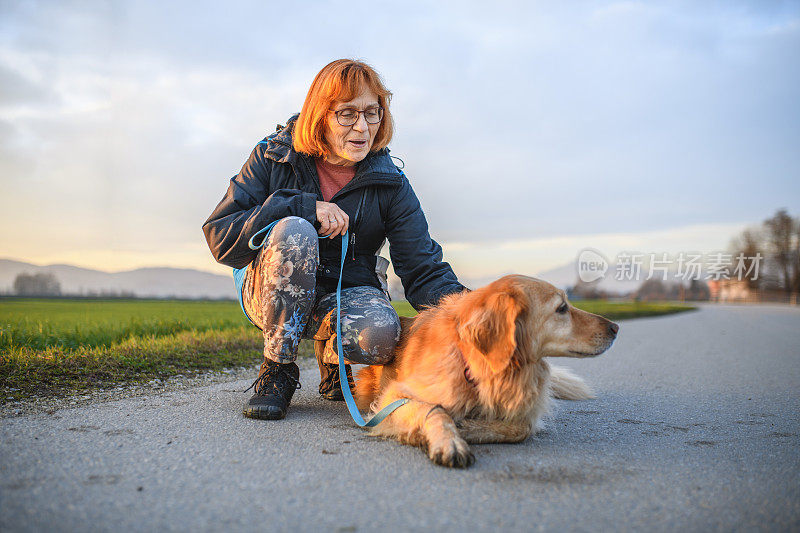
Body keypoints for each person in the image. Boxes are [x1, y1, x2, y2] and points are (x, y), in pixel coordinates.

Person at [202, 59, 466, 421]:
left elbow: (422, 268)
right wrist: (302, 207)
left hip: (345, 290)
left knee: (381, 335)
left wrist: (473, 315)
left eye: (372, 113)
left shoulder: (390, 182)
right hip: (271, 292)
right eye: (347, 114)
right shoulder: (273, 155)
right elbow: (220, 235)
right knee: (295, 229)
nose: (362, 127)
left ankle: (332, 359)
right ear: (320, 116)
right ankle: (277, 368)